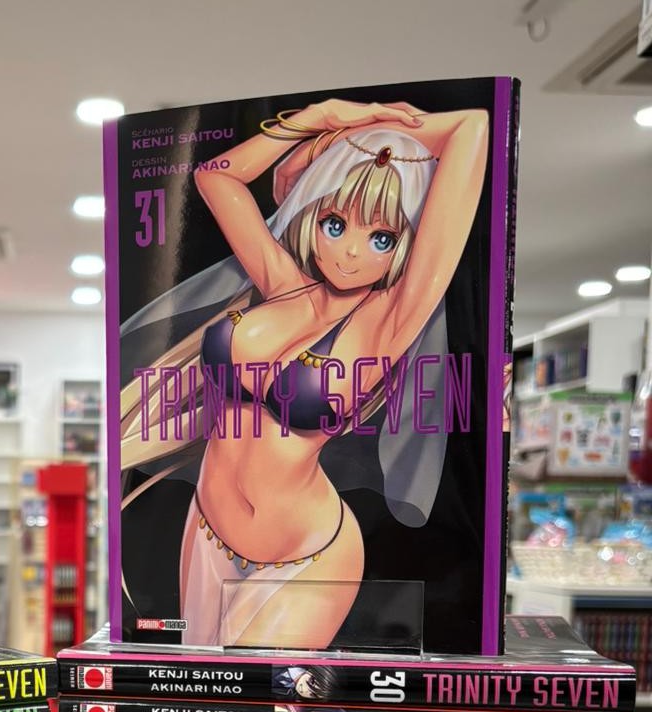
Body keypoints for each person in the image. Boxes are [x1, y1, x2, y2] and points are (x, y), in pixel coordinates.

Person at [119, 97, 488, 649]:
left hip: (306, 555)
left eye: (381, 238)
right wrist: (322, 116)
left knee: (252, 692)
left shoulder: (390, 321)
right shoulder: (282, 283)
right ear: (312, 213)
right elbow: (216, 177)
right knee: (202, 691)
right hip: (209, 528)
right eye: (335, 223)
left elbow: (472, 126)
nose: (350, 252)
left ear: (406, 243)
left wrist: (372, 134)